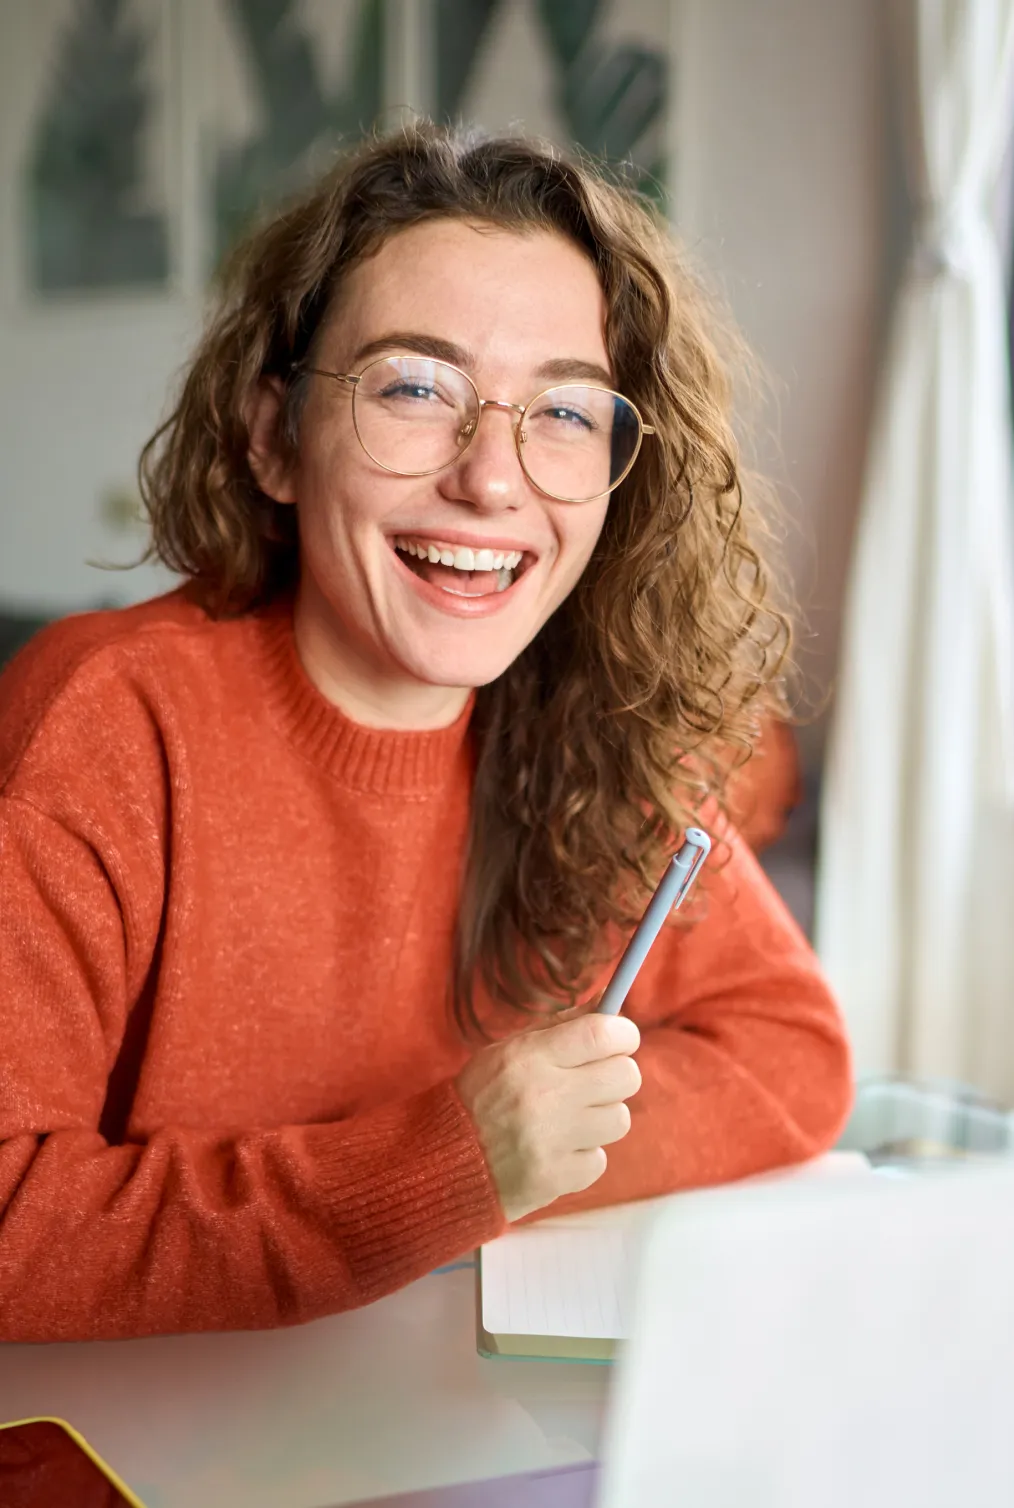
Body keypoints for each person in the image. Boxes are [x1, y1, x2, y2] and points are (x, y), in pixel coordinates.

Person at [0, 123, 851, 1343]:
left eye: (563, 412)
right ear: (274, 436)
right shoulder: (104, 723)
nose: (492, 479)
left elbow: (790, 1048)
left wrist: (518, 1163)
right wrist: (441, 1166)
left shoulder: (598, 732)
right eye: (414, 388)